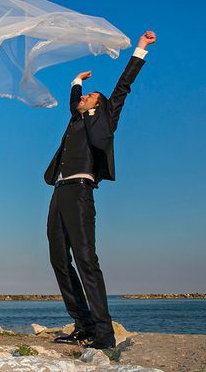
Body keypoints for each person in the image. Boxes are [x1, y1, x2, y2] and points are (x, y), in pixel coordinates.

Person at [44, 31, 157, 349]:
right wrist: (75, 81)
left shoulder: (106, 117)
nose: (83, 99)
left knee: (85, 258)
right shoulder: (76, 118)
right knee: (57, 257)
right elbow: (73, 102)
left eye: (89, 96)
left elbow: (123, 87)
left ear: (100, 103)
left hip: (80, 191)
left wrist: (141, 49)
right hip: (59, 191)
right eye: (83, 97)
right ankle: (82, 324)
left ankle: (104, 333)